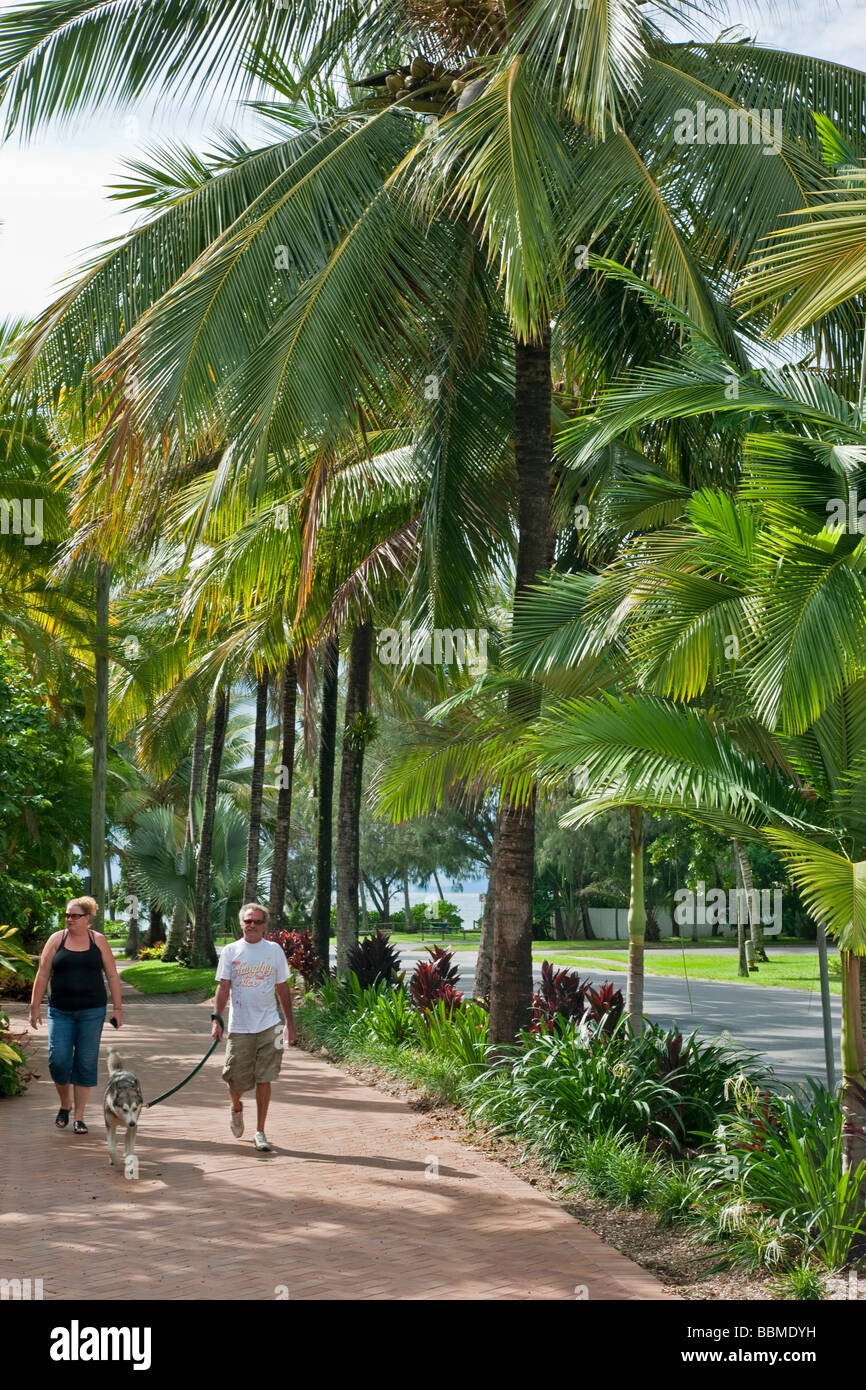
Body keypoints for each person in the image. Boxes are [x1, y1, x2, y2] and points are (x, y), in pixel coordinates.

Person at [29, 896, 124, 1133]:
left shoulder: (98, 941)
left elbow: (112, 975)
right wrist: (34, 1005)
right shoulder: (56, 940)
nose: (69, 919)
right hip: (60, 1010)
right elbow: (42, 974)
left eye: (75, 916)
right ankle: (65, 1105)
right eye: (67, 915)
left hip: (92, 1011)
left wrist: (118, 1009)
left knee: (85, 1061)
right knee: (58, 1060)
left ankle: (79, 1117)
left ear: (87, 918)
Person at [212, 903, 295, 1152]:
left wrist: (290, 1023)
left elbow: (283, 988)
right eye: (248, 921)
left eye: (257, 922)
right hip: (240, 1027)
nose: (252, 925)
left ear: (264, 926)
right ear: (241, 924)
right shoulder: (231, 951)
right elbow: (223, 987)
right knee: (234, 1080)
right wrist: (217, 1019)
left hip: (270, 1026)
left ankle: (260, 1131)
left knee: (265, 1077)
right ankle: (236, 1107)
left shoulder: (274, 951)